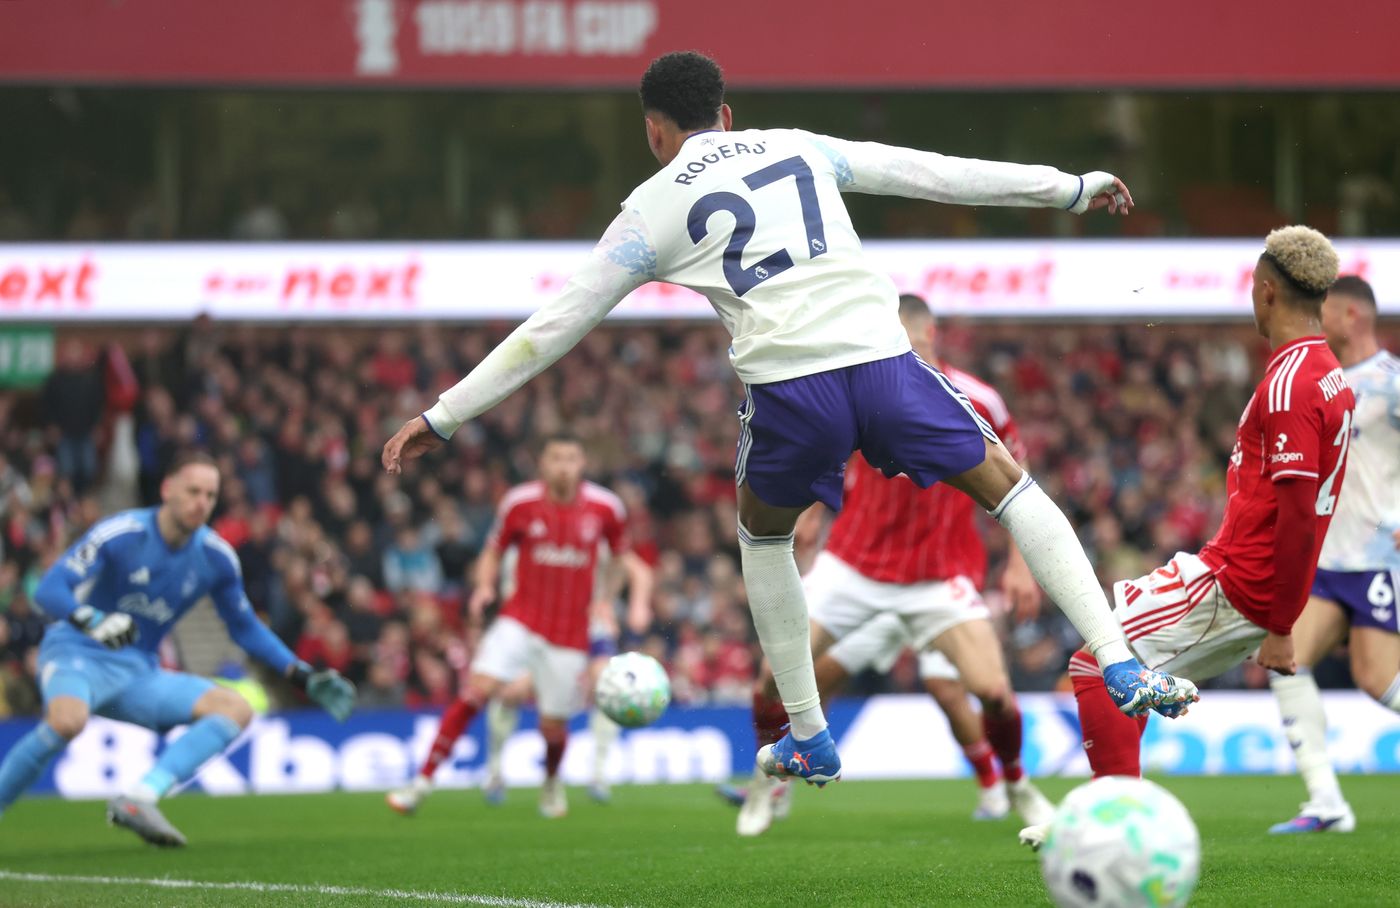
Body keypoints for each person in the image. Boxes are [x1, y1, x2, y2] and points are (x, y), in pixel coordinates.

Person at [382, 51, 1195, 791]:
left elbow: (550, 328)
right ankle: (1118, 660)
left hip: (789, 391)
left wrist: (443, 415)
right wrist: (1069, 188)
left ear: (655, 131)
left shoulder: (648, 210)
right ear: (727, 114)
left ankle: (808, 733)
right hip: (884, 364)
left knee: (763, 536)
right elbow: (931, 173)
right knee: (1012, 490)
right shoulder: (802, 147)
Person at [1020, 226, 1356, 849]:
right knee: (1130, 674)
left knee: (1098, 662)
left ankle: (1116, 824)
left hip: (1236, 583)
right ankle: (1108, 804)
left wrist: (1282, 623)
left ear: (1265, 294)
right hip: (1251, 584)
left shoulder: (1289, 387)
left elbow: (1299, 516)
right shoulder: (1329, 373)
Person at [722, 294, 1054, 836]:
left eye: (902, 336)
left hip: (938, 578)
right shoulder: (858, 381)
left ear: (928, 334)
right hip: (854, 567)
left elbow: (1015, 473)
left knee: (992, 691)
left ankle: (1016, 785)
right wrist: (806, 512)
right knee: (770, 678)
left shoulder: (979, 397)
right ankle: (766, 785)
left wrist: (1019, 562)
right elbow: (822, 451)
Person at [0, 452, 355, 846]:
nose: (201, 502)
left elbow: (245, 627)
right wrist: (93, 620)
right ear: (168, 489)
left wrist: (300, 672)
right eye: (193, 491)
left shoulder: (216, 558)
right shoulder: (123, 532)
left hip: (138, 672)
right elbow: (51, 588)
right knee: (68, 720)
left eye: (210, 495)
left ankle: (140, 798)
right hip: (77, 653)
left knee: (235, 708)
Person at [386, 432, 648, 819]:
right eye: (556, 458)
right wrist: (485, 588)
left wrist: (611, 601)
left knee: (553, 728)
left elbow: (622, 559)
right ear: (542, 464)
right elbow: (493, 551)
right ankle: (421, 782)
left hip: (570, 634)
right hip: (520, 620)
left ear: (582, 464)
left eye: (571, 458)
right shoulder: (520, 504)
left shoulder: (606, 508)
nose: (563, 466)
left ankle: (552, 783)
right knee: (478, 690)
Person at [1269, 275, 1399, 834]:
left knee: (1378, 680)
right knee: (1282, 657)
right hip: (1326, 561)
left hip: (1377, 559)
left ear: (1353, 316)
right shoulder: (1323, 383)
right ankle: (1326, 802)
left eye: (1328, 313)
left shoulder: (1391, 383)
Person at [478, 539, 653, 805]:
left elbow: (639, 570)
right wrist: (485, 589)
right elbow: (492, 559)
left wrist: (632, 604)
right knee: (512, 692)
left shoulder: (592, 527)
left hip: (588, 621)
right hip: (536, 624)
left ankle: (598, 774)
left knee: (608, 683)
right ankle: (494, 771)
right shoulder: (525, 531)